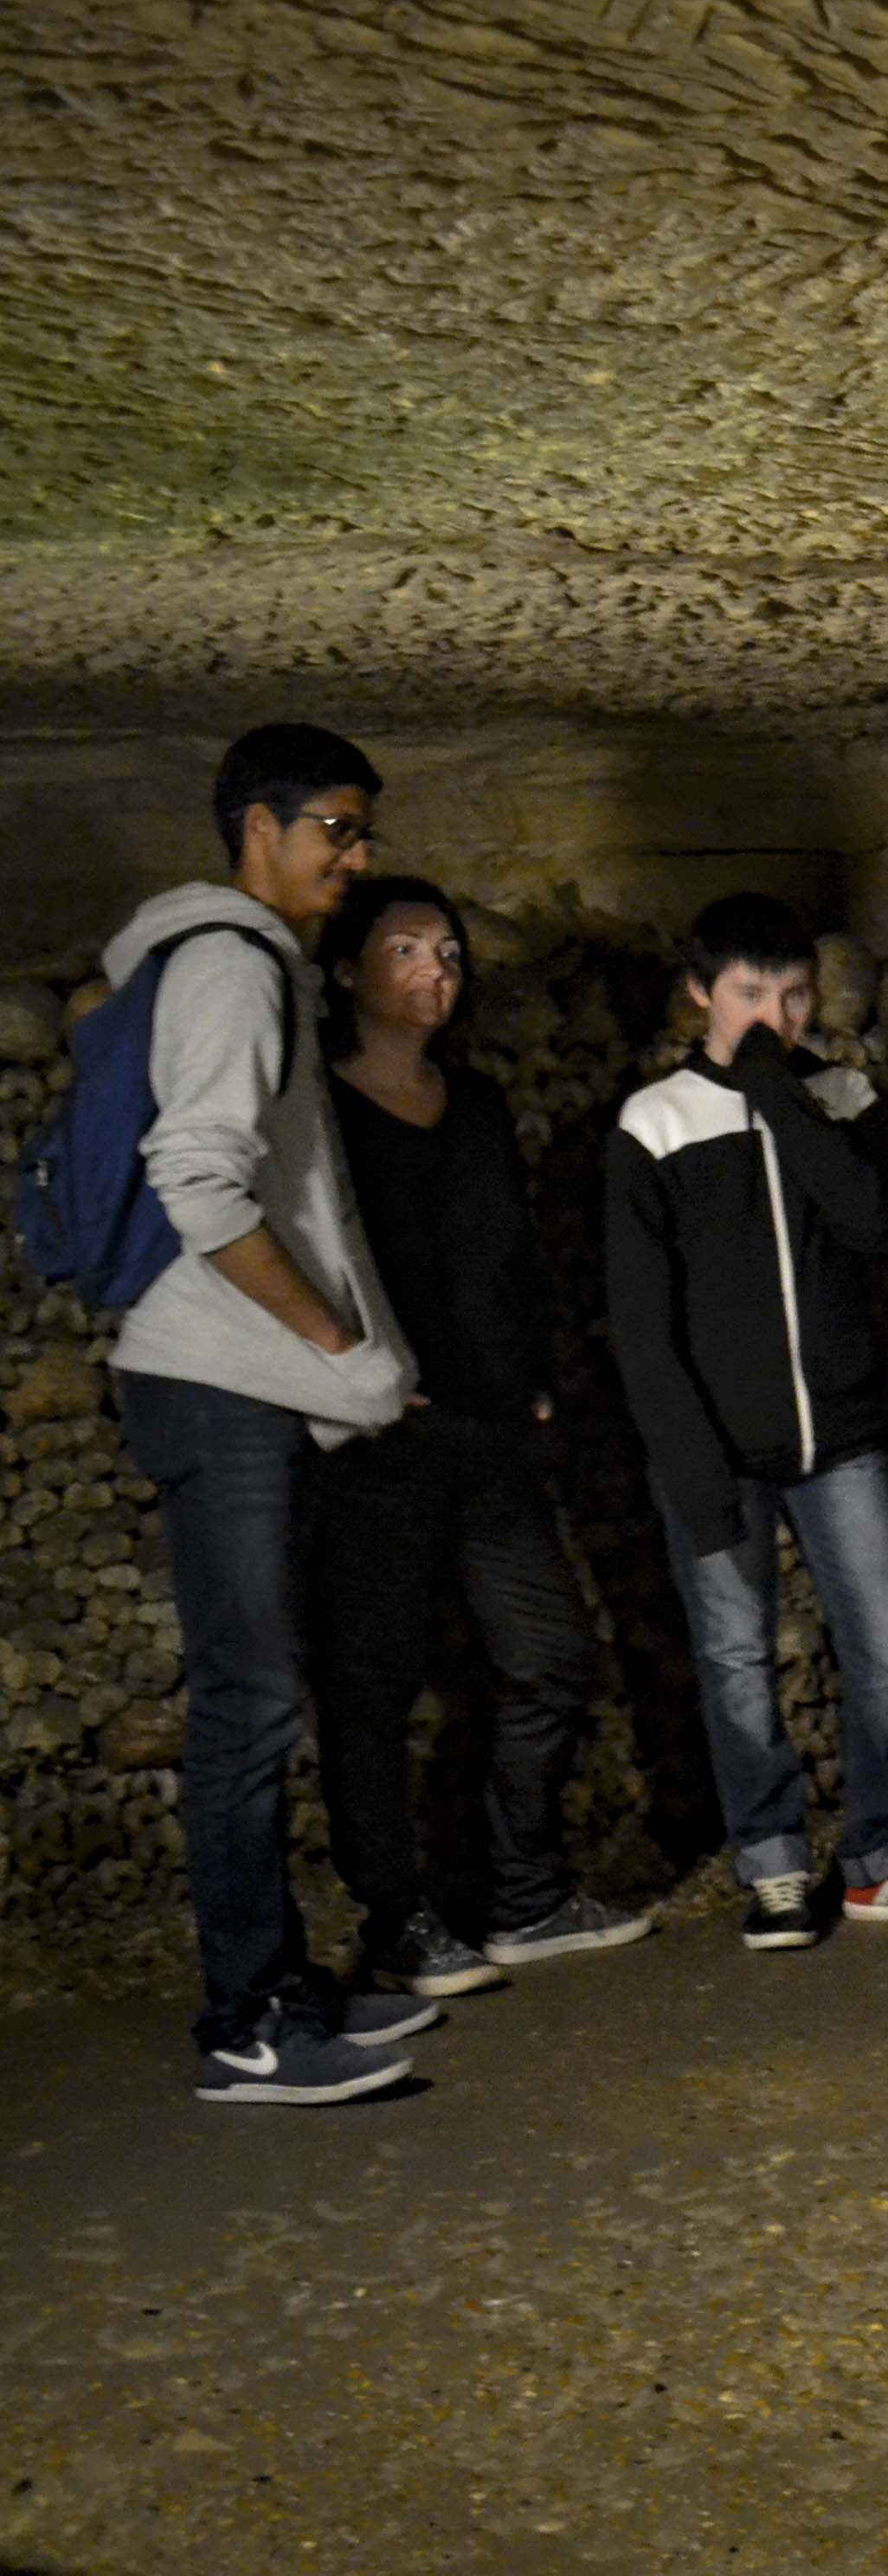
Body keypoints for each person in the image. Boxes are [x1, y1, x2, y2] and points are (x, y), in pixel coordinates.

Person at [106, 724, 434, 2102]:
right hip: (222, 1373)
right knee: (250, 1699)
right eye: (336, 833)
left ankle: (282, 1982)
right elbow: (199, 1177)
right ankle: (245, 2022)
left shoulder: (229, 964)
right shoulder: (233, 965)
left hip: (233, 1377)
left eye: (359, 835)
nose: (354, 861)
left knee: (266, 1687)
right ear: (260, 828)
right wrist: (330, 1342)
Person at [605, 892, 888, 1950]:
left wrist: (778, 1092)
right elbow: (641, 1320)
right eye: (748, 994)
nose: (773, 1014)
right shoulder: (655, 1125)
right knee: (734, 1659)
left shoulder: (843, 1096)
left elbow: (869, 1222)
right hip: (717, 1451)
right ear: (700, 995)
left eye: (792, 992)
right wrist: (687, 1463)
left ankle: (878, 1858)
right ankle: (773, 1866)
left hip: (844, 1436)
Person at [306, 875, 648, 1995]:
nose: (434, 975)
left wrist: (540, 1377)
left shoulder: (484, 1104)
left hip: (494, 1434)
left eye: (449, 954)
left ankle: (525, 1896)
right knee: (376, 1684)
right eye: (405, 952)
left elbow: (516, 1259)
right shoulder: (311, 1114)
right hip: (379, 1438)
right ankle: (397, 1921)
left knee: (550, 1658)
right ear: (348, 970)